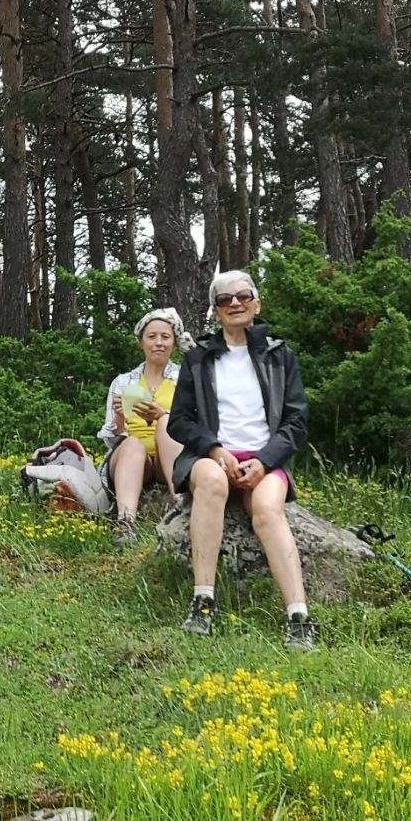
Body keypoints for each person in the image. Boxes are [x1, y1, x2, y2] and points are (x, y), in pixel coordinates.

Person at [165, 271, 317, 649]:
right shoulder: (198, 359)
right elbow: (179, 421)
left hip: (265, 460)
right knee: (213, 483)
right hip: (209, 457)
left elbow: (297, 422)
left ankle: (298, 617)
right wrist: (216, 450)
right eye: (224, 299)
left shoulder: (280, 356)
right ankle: (203, 601)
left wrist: (265, 462)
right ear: (216, 312)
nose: (235, 303)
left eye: (243, 296)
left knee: (267, 508)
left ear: (257, 303)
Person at [99, 308, 191, 547]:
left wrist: (163, 414)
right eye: (152, 337)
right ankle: (126, 522)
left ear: (174, 343)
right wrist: (119, 419)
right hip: (132, 458)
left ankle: (182, 507)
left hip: (170, 457)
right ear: (141, 342)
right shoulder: (123, 382)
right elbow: (112, 438)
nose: (158, 343)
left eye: (165, 337)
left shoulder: (185, 379)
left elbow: (197, 426)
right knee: (132, 444)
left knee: (166, 421)